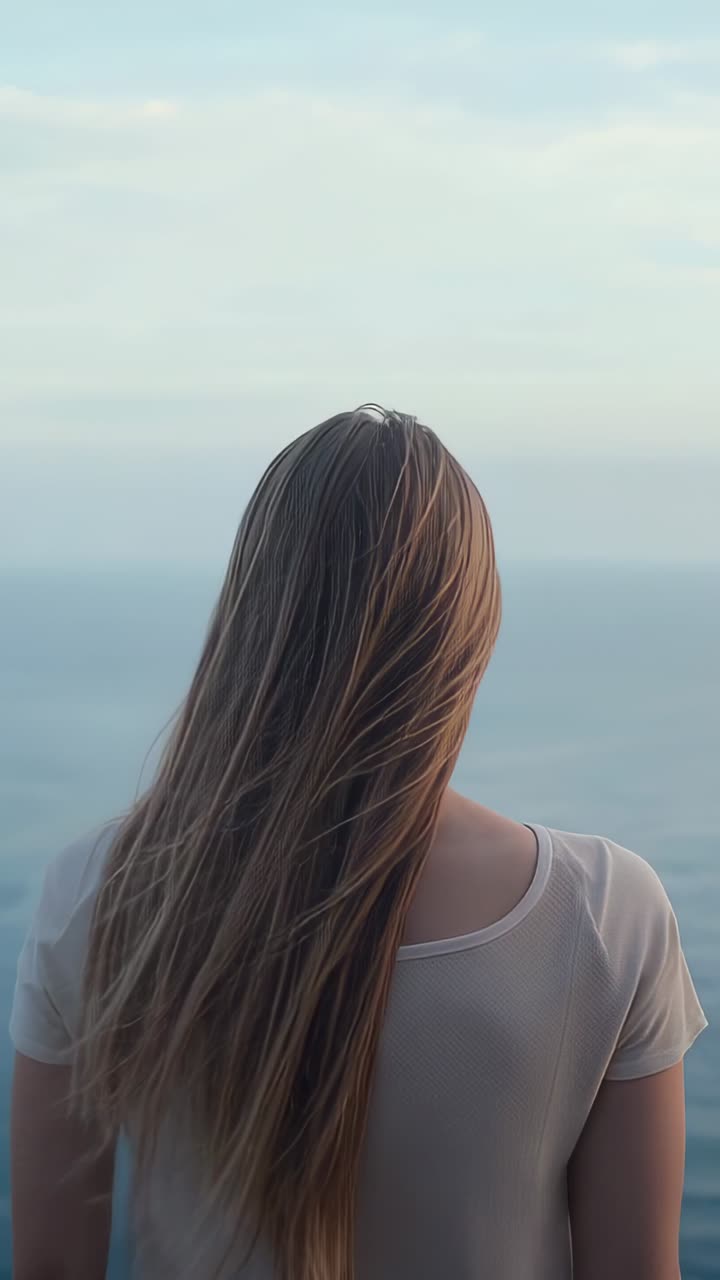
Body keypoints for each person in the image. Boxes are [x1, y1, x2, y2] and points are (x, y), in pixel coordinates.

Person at [10, 406, 708, 1280]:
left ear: (251, 615)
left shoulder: (100, 894)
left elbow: (48, 1266)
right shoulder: (605, 914)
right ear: (470, 629)